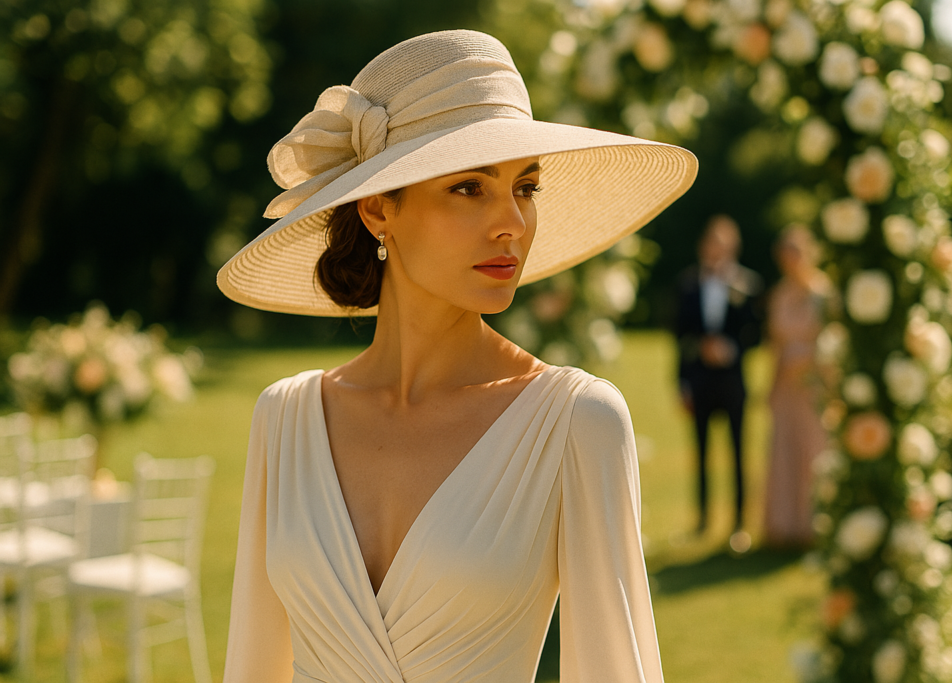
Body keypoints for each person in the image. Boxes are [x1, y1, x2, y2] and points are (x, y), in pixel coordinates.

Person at [218, 31, 698, 683]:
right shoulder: (285, 419)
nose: (513, 223)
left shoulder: (575, 423)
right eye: (470, 188)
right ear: (378, 208)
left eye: (525, 187)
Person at [673, 216, 762, 547]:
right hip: (699, 380)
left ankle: (740, 522)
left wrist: (732, 349)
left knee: (738, 451)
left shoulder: (748, 285)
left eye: (723, 245)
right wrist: (682, 381)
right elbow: (679, 337)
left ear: (732, 248)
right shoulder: (688, 285)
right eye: (712, 243)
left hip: (733, 382)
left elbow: (757, 335)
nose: (716, 251)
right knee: (701, 452)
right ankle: (702, 519)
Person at [763, 225, 832, 549]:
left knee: (814, 452)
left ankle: (815, 524)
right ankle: (784, 526)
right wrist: (772, 387)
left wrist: (813, 361)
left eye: (796, 252)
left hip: (816, 386)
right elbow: (776, 346)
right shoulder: (779, 295)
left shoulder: (823, 294)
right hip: (788, 388)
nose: (791, 260)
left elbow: (834, 343)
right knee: (785, 452)